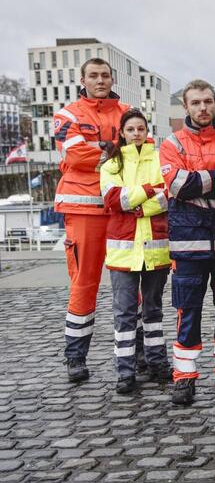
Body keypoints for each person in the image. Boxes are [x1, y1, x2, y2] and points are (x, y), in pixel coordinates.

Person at [54, 58, 128, 382]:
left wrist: (98, 148)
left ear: (112, 79)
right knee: (84, 283)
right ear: (82, 79)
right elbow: (73, 154)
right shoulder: (68, 115)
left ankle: (136, 353)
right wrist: (116, 150)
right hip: (84, 210)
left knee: (132, 284)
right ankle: (76, 357)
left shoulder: (127, 112)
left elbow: (142, 148)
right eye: (94, 76)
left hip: (122, 207)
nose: (100, 80)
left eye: (105, 75)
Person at [159, 80, 215, 404]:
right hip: (188, 242)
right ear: (186, 107)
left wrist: (198, 179)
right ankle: (185, 377)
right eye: (196, 102)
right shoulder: (172, 143)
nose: (203, 108)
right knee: (187, 309)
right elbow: (178, 185)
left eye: (208, 101)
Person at [100, 110, 170, 393]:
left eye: (141, 128)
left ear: (147, 131)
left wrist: (138, 204)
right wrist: (149, 190)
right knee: (125, 314)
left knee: (153, 311)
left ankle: (157, 363)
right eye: (131, 129)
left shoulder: (160, 159)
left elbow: (167, 196)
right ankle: (125, 371)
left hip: (155, 249)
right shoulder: (111, 164)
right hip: (124, 251)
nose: (136, 134)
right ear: (122, 133)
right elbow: (114, 200)